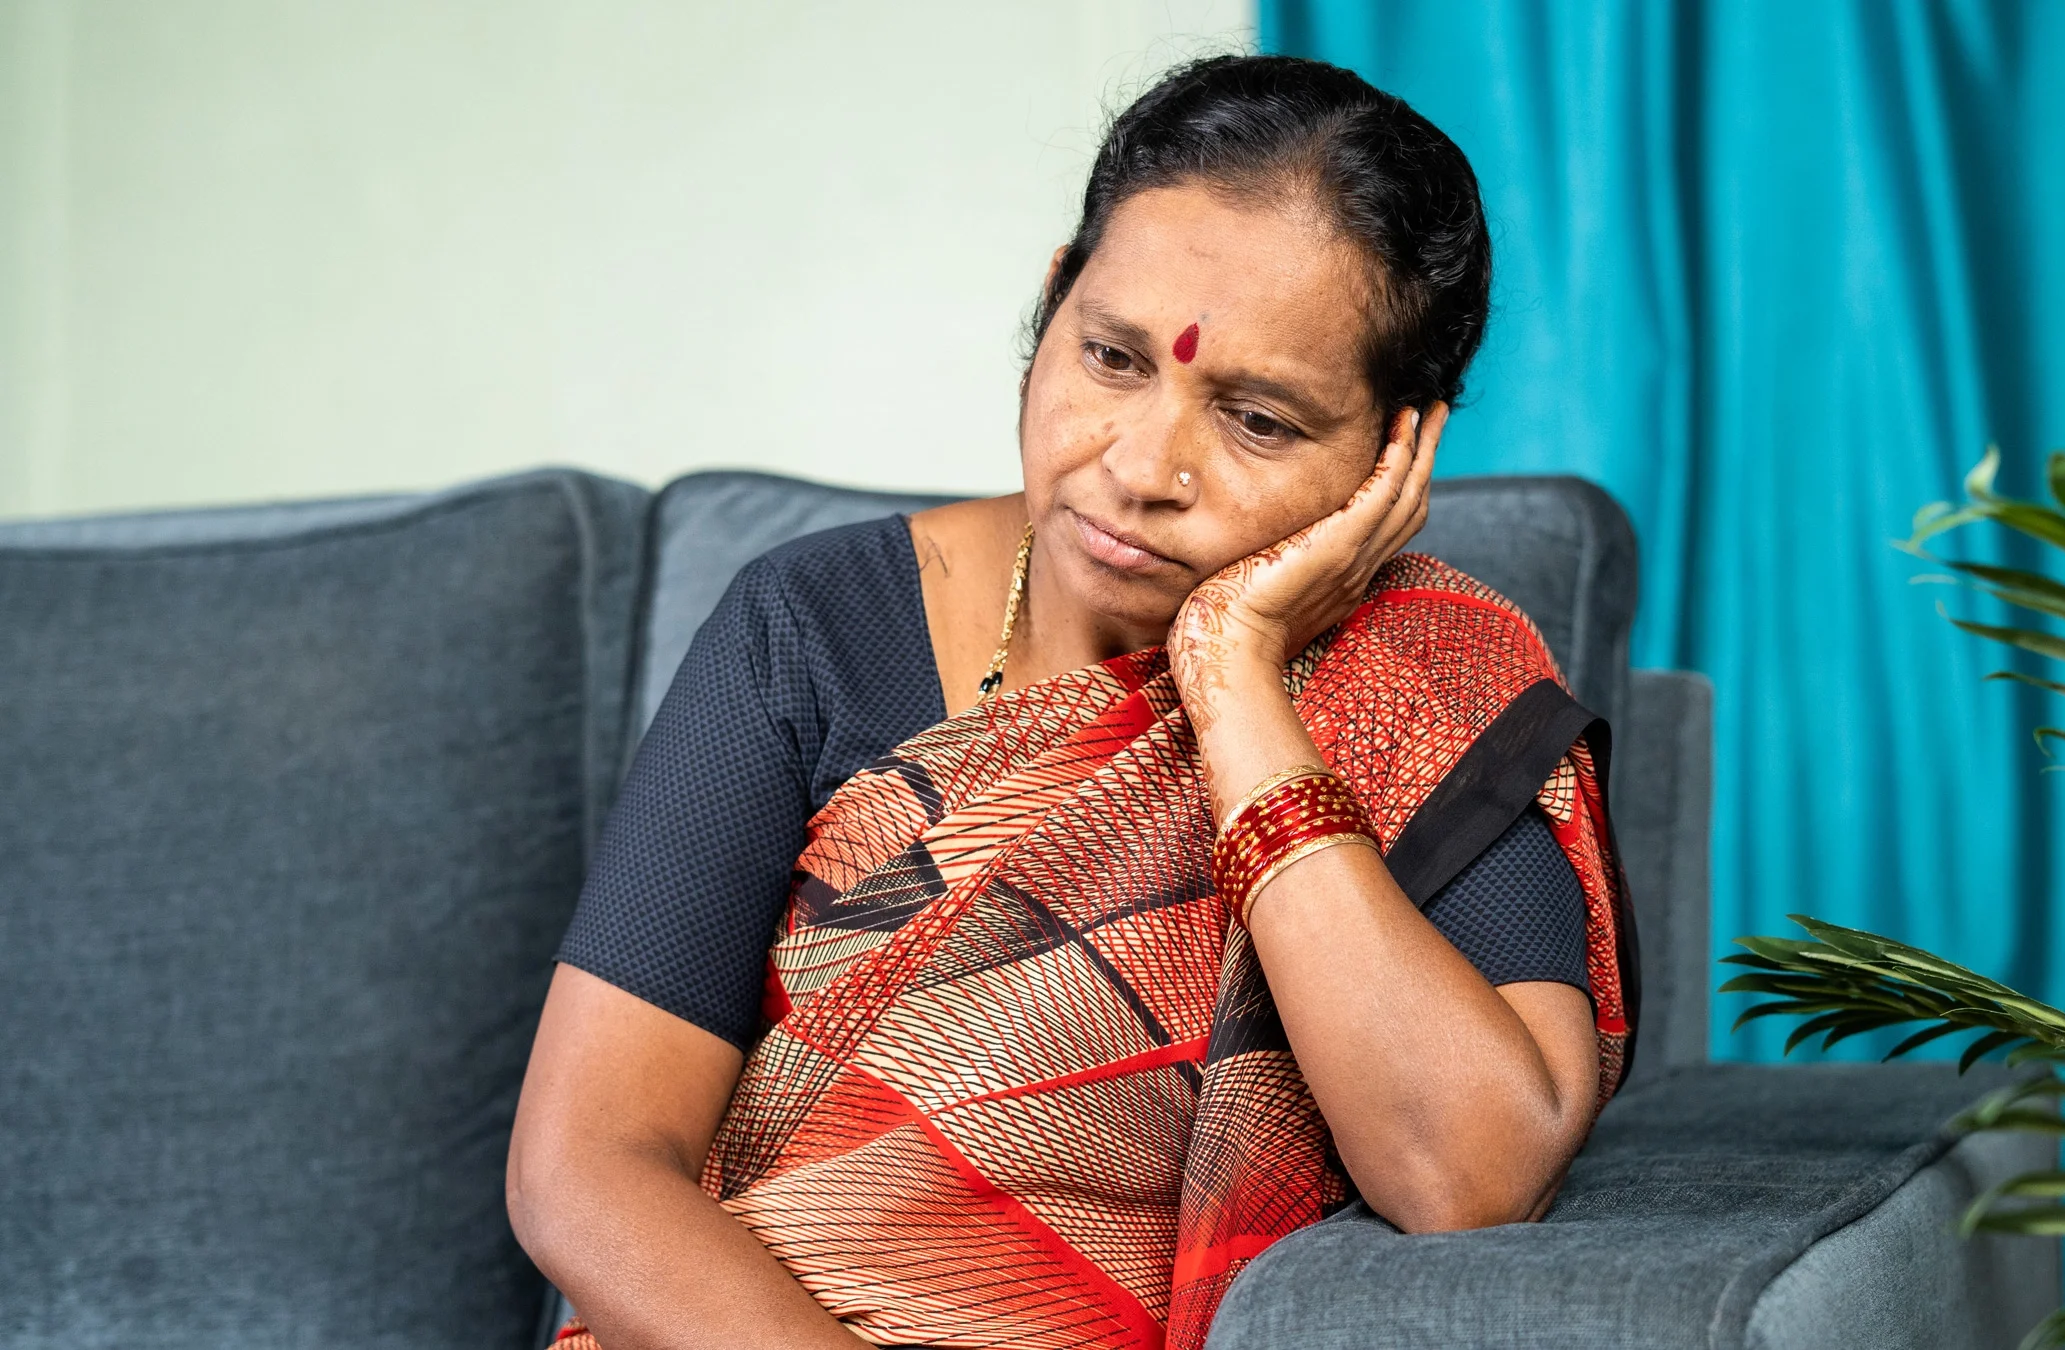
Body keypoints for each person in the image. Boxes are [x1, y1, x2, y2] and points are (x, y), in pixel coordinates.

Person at [506, 53, 1634, 1350]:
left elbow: (1467, 1177)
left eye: (1259, 421)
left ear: (1396, 453)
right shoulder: (807, 630)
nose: (1144, 463)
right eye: (1110, 356)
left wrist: (1236, 683)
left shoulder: (1431, 685)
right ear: (1053, 301)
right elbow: (584, 1171)